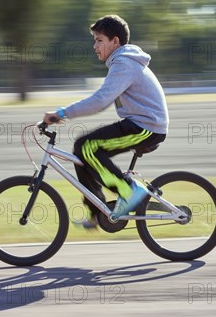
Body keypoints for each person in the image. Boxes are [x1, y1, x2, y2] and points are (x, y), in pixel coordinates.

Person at [43, 15, 169, 229]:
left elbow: (100, 101)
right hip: (140, 124)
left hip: (146, 128)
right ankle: (97, 211)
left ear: (115, 42)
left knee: (86, 146)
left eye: (99, 40)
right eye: (94, 40)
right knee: (81, 152)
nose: (95, 46)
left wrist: (62, 113)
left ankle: (128, 191)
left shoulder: (124, 63)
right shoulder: (123, 62)